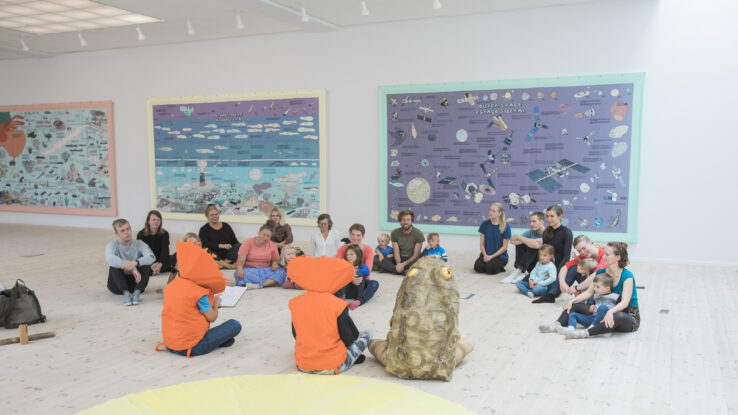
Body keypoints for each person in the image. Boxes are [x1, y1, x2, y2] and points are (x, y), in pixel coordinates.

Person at [288, 256, 373, 374]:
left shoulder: (295, 303)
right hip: (332, 365)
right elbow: (350, 338)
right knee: (367, 334)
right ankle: (350, 359)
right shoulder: (338, 305)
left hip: (303, 365)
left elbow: (296, 335)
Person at [539, 242, 640, 339]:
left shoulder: (627, 276)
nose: (603, 257)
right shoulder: (601, 272)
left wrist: (611, 312)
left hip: (625, 314)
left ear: (618, 258)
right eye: (604, 254)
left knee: (617, 317)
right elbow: (588, 293)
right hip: (603, 309)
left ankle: (585, 333)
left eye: (607, 255)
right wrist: (571, 301)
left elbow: (625, 303)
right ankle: (556, 324)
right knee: (574, 306)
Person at [159, 240, 241, 357]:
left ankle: (217, 341)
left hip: (170, 343)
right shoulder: (198, 292)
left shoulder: (171, 286)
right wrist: (216, 304)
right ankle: (213, 342)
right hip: (192, 347)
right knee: (235, 325)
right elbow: (212, 317)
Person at [105, 218, 155, 306]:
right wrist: (132, 268)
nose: (126, 232)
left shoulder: (139, 243)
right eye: (122, 230)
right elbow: (110, 259)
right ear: (117, 234)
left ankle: (136, 293)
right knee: (114, 265)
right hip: (117, 286)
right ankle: (126, 294)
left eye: (128, 229)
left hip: (136, 283)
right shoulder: (112, 245)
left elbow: (151, 257)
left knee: (145, 263)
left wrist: (136, 262)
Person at [531, 205, 573, 303]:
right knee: (527, 282)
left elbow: (566, 257)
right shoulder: (547, 231)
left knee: (554, 285)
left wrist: (556, 272)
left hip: (559, 266)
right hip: (546, 265)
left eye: (552, 216)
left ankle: (549, 295)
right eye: (547, 216)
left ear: (560, 216)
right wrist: (541, 270)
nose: (549, 219)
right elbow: (543, 254)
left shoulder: (567, 233)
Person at [558, 270, 619, 336]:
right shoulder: (596, 295)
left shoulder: (615, 296)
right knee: (573, 315)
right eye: (594, 286)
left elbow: (620, 307)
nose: (595, 289)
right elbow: (591, 302)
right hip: (593, 318)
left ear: (607, 288)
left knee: (602, 307)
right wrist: (592, 305)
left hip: (604, 320)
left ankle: (592, 329)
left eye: (598, 287)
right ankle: (570, 329)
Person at [335, 224, 379, 307]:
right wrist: (351, 278)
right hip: (345, 283)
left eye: (358, 235)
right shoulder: (342, 249)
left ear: (363, 236)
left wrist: (355, 275)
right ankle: (341, 298)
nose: (355, 238)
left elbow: (368, 271)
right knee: (331, 284)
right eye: (353, 234)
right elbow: (339, 269)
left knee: (374, 284)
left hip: (360, 284)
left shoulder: (368, 250)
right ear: (350, 234)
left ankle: (359, 301)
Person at [552, 235, 607, 299]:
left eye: (584, 248)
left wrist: (577, 288)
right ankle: (552, 293)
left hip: (602, 285)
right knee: (574, 269)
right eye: (579, 251)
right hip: (590, 284)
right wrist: (562, 283)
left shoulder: (604, 254)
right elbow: (565, 267)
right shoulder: (584, 255)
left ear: (590, 243)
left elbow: (596, 275)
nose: (582, 252)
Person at [233, 225, 284, 289]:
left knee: (282, 272)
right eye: (264, 235)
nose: (265, 238)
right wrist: (240, 268)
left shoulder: (272, 245)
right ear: (259, 232)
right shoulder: (247, 243)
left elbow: (275, 259)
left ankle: (259, 285)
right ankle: (267, 281)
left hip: (266, 270)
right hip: (251, 270)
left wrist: (274, 264)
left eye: (268, 236)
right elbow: (240, 260)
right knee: (238, 274)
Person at [501, 211, 545, 283]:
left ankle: (518, 272)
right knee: (521, 244)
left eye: (534, 221)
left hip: (541, 267)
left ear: (542, 222)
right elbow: (512, 240)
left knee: (532, 247)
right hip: (530, 266)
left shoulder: (548, 233)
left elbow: (537, 245)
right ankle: (520, 272)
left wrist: (524, 240)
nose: (531, 224)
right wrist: (521, 238)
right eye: (530, 221)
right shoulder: (531, 232)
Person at [378, 210, 424, 275]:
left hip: (411, 259)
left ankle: (392, 269)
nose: (406, 222)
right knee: (376, 258)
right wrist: (399, 264)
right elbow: (396, 252)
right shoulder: (394, 233)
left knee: (419, 264)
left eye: (408, 220)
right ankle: (400, 270)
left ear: (411, 221)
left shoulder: (418, 233)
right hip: (399, 258)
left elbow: (416, 255)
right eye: (403, 220)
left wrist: (403, 264)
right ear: (400, 221)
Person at [473, 202, 511, 275]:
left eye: (493, 211)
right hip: (486, 254)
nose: (490, 212)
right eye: (490, 210)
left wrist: (492, 257)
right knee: (477, 268)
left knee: (490, 269)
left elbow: (504, 247)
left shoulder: (506, 226)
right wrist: (485, 255)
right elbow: (481, 244)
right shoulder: (484, 224)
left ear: (499, 213)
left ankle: (500, 268)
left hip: (500, 256)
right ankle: (489, 264)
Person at [198, 204, 240, 269]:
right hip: (214, 257)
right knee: (205, 250)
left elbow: (235, 242)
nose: (215, 216)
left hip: (228, 257)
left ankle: (222, 264)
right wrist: (221, 245)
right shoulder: (203, 229)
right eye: (212, 215)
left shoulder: (226, 226)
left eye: (216, 214)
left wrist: (232, 246)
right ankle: (229, 266)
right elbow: (205, 245)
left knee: (240, 245)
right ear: (207, 216)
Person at [337, 245, 373, 310]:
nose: (349, 257)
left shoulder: (361, 264)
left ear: (358, 255)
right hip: (347, 290)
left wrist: (356, 270)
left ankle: (358, 300)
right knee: (341, 277)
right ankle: (342, 298)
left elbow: (367, 272)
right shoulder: (345, 263)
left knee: (374, 283)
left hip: (358, 289)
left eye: (351, 254)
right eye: (347, 255)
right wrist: (350, 276)